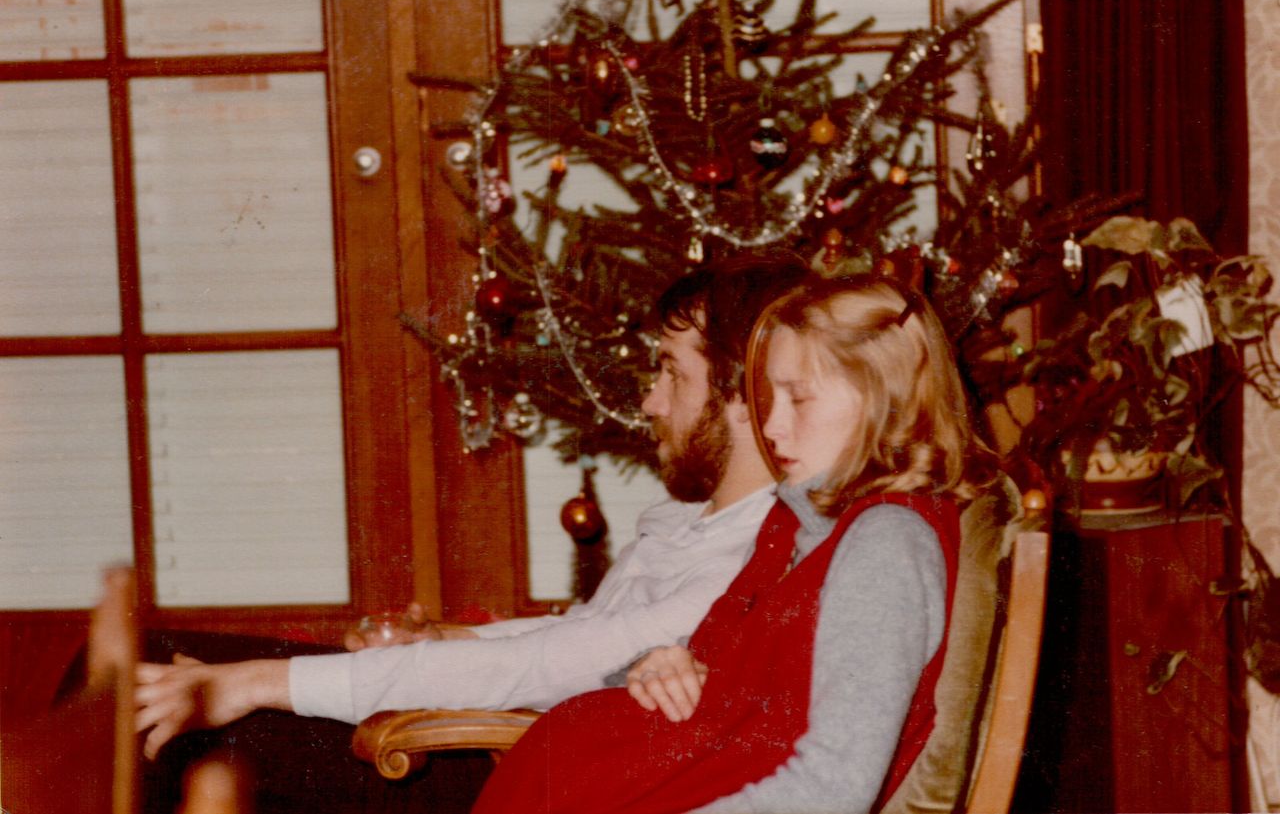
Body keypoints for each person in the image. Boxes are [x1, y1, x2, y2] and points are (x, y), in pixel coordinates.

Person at [131, 251, 809, 811]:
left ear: (743, 394)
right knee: (152, 653)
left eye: (670, 371)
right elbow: (574, 636)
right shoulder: (699, 526)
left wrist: (247, 684)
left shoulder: (747, 561)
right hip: (505, 745)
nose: (650, 399)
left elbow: (543, 668)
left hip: (504, 778)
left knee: (163, 724)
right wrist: (446, 637)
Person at [472, 273, 999, 814]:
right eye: (771, 396)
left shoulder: (888, 544)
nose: (771, 425)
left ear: (882, 399)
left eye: (799, 398)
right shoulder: (808, 528)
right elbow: (732, 683)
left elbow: (831, 787)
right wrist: (655, 666)